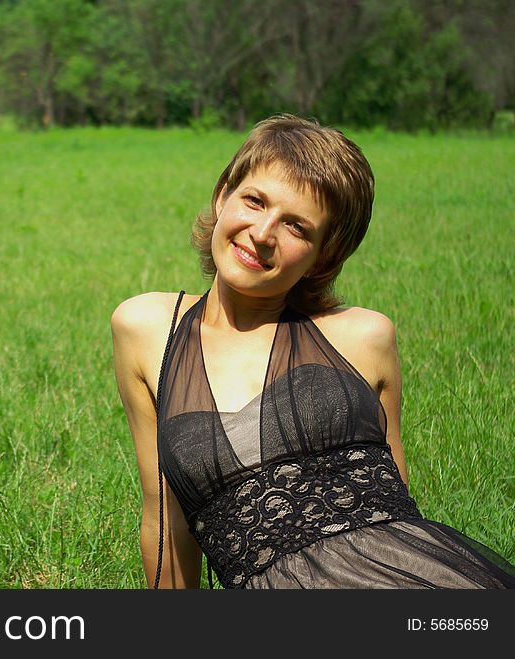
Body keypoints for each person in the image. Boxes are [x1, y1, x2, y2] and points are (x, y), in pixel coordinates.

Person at [111, 114, 515, 589]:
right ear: (222, 196)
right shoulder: (146, 329)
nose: (262, 233)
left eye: (297, 227)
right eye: (254, 201)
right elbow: (165, 521)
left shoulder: (363, 337)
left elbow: (399, 509)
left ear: (323, 255)